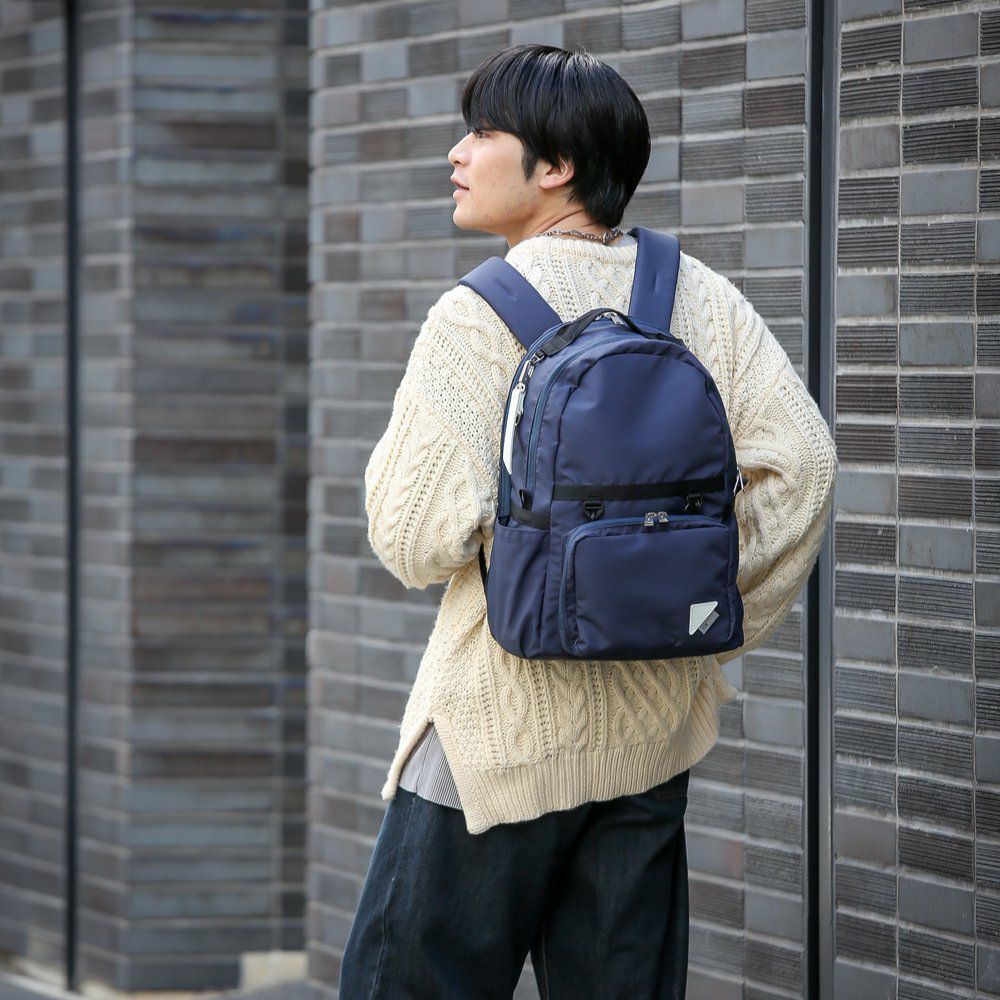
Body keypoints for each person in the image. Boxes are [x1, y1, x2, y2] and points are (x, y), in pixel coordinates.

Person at [339, 43, 837, 1000]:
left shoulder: (476, 316)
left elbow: (413, 538)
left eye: (482, 132)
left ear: (556, 165)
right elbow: (804, 466)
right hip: (652, 734)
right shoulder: (699, 295)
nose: (457, 153)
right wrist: (693, 615)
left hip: (495, 747)